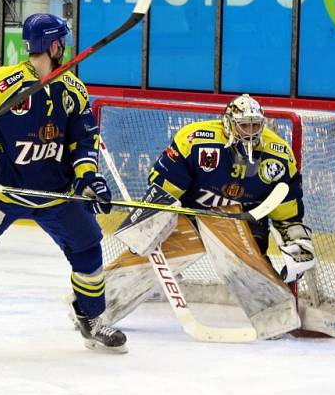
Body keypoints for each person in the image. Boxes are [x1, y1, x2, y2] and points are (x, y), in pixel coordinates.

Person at [0, 13, 127, 353]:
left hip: (55, 193)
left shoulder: (73, 90)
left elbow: (83, 145)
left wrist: (89, 178)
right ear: (54, 45)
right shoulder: (5, 82)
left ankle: (90, 317)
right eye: (62, 41)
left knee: (89, 252)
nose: (65, 47)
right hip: (0, 189)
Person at [127, 93, 315, 283]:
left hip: (243, 220)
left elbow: (287, 212)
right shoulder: (195, 141)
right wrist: (147, 223)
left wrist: (297, 242)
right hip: (192, 213)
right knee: (155, 243)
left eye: (255, 125)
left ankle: (265, 292)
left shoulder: (279, 156)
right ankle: (139, 275)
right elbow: (164, 188)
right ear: (229, 123)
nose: (250, 132)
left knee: (253, 272)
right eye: (244, 125)